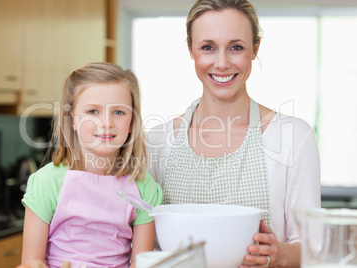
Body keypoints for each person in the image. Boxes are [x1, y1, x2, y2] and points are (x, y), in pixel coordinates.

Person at [146, 0, 320, 267]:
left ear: (255, 49)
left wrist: (280, 254)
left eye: (236, 47)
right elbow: (145, 243)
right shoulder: (157, 141)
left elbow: (314, 249)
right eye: (208, 47)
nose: (222, 62)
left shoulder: (292, 136)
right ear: (191, 50)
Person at [21, 62, 162, 268]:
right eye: (93, 111)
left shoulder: (143, 186)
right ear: (73, 121)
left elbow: (141, 264)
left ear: (132, 122)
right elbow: (32, 262)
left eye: (119, 112)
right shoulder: (46, 182)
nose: (106, 122)